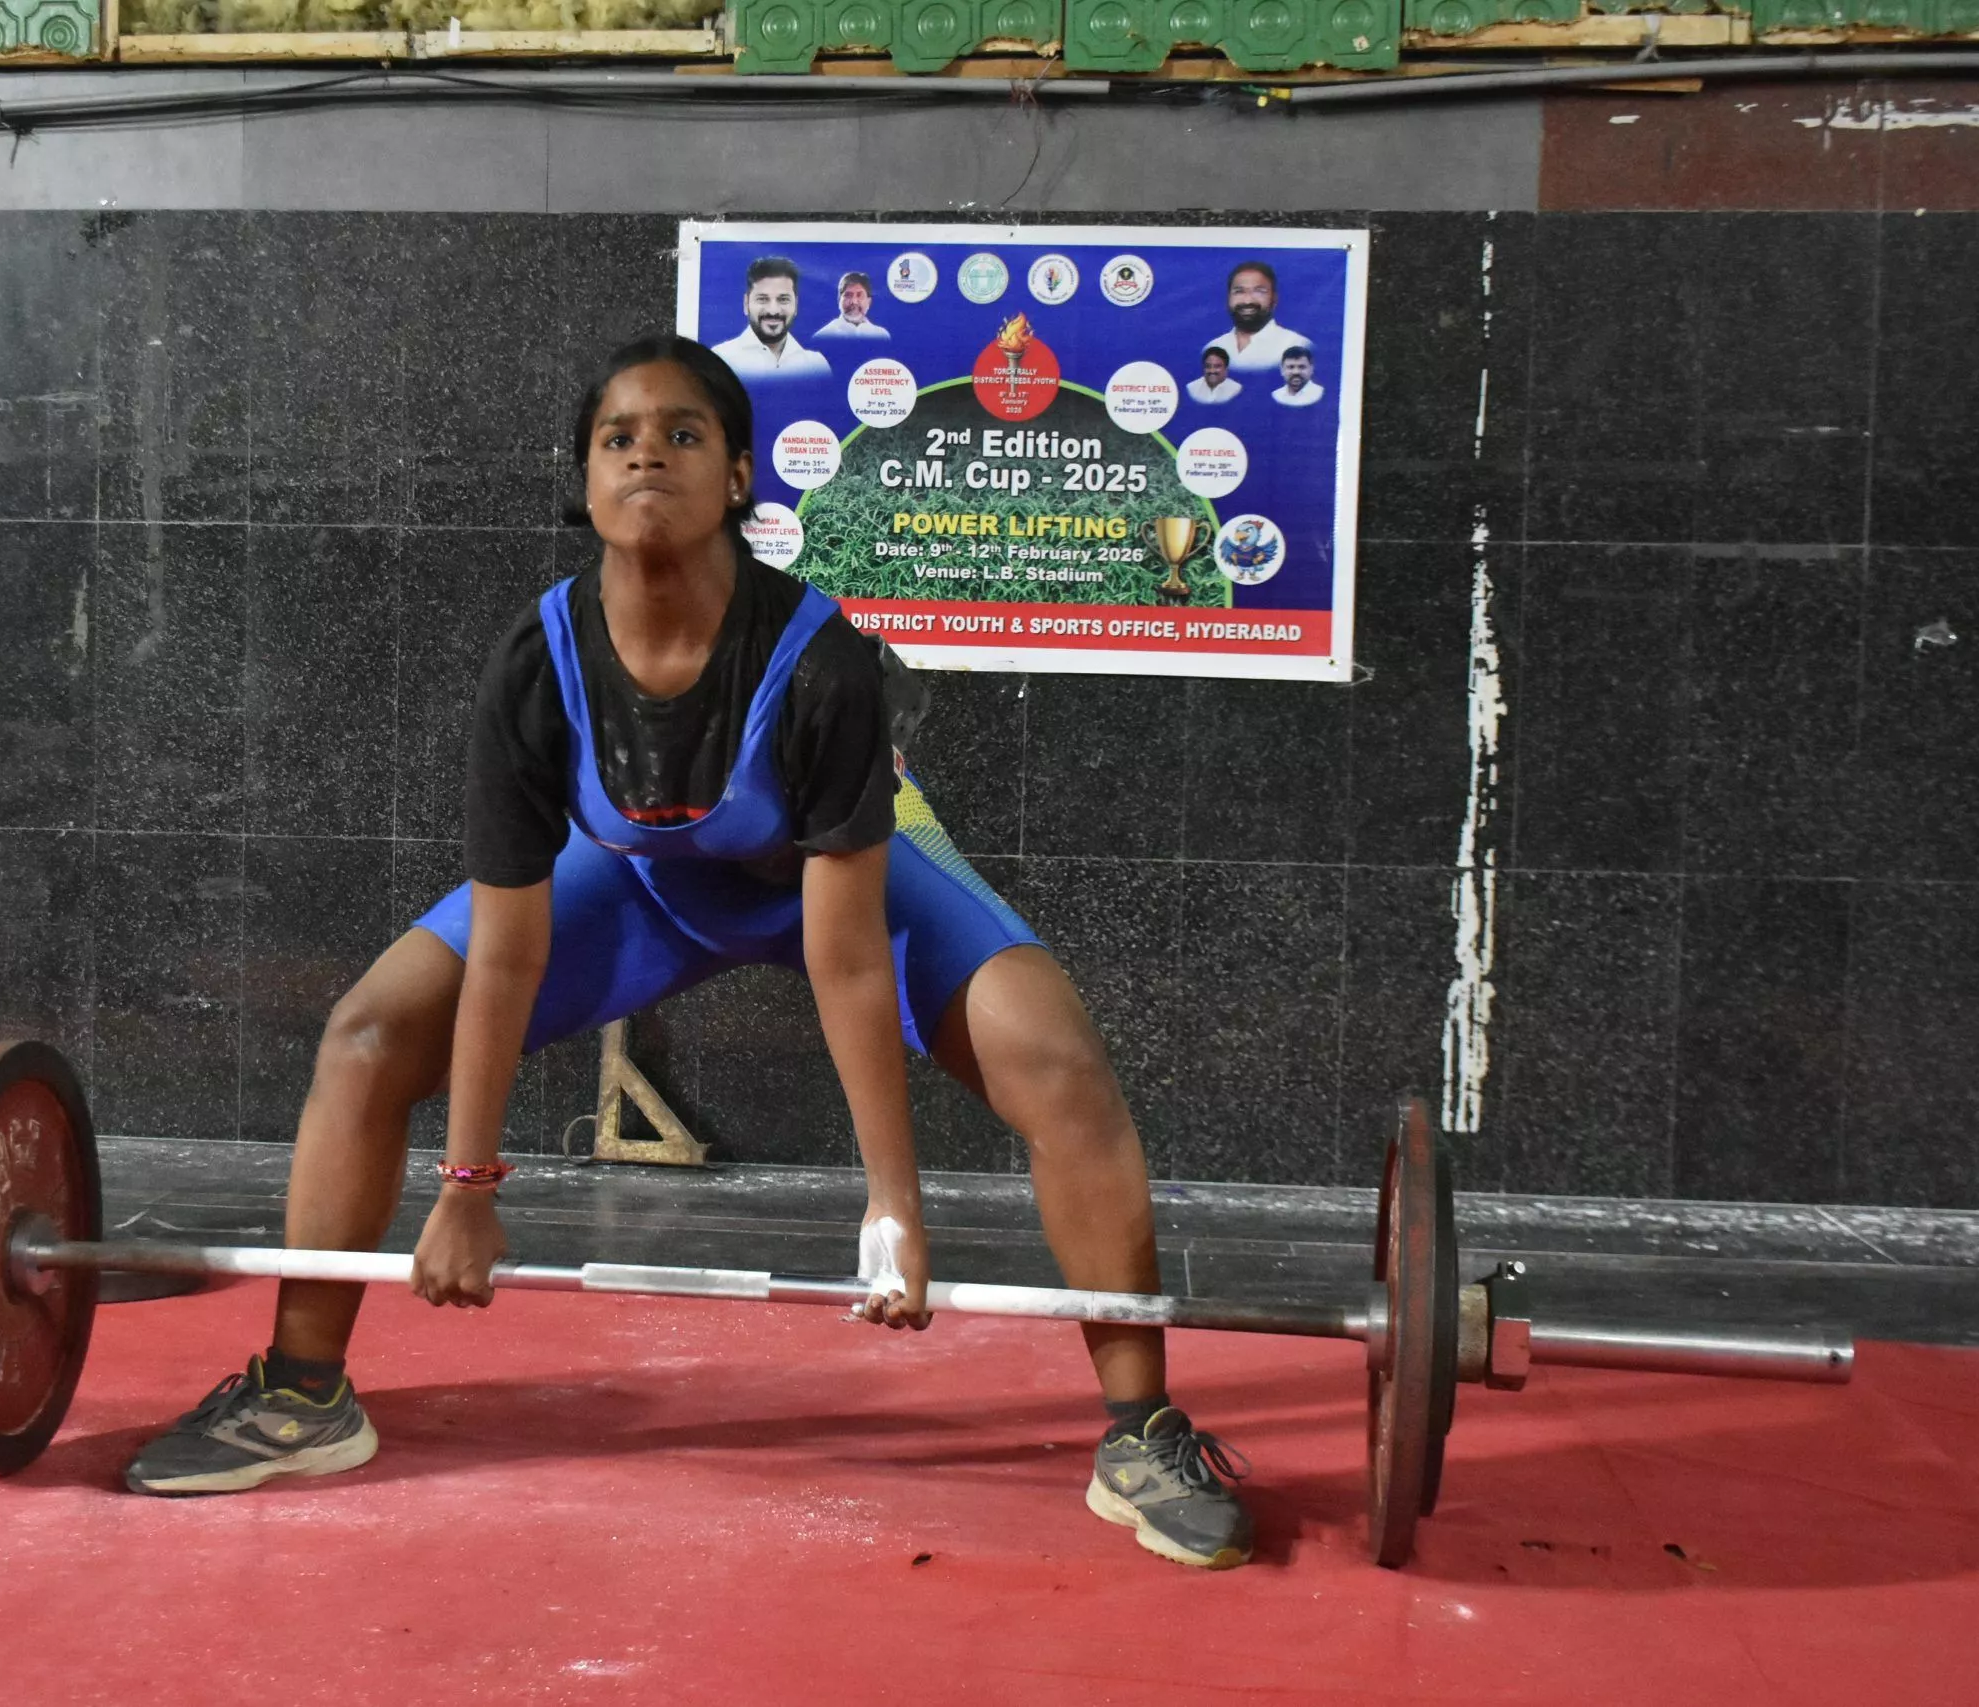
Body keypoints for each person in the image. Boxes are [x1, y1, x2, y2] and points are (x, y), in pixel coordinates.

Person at [123, 334, 1255, 1573]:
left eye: (681, 434)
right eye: (617, 438)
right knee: (369, 1033)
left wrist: (893, 1204)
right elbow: (504, 951)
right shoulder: (537, 660)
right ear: (585, 480)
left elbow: (848, 957)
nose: (646, 455)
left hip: (831, 882)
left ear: (737, 477)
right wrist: (467, 1186)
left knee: (1058, 1061)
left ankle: (1141, 1430)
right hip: (639, 882)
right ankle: (302, 1394)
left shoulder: (818, 657)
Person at [711, 256, 832, 378]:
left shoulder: (816, 365)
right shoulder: (721, 359)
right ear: (746, 304)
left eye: (783, 299)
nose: (773, 311)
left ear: (796, 305)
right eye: (762, 299)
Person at [1202, 260, 1309, 374]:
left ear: (1274, 299)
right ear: (1228, 298)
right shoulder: (1214, 347)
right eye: (1239, 291)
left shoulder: (1298, 345)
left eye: (1259, 291)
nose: (1247, 300)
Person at [814, 271, 889, 341]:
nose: (854, 302)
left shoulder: (882, 335)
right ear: (839, 300)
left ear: (869, 302)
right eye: (848, 295)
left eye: (859, 295)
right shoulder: (823, 336)